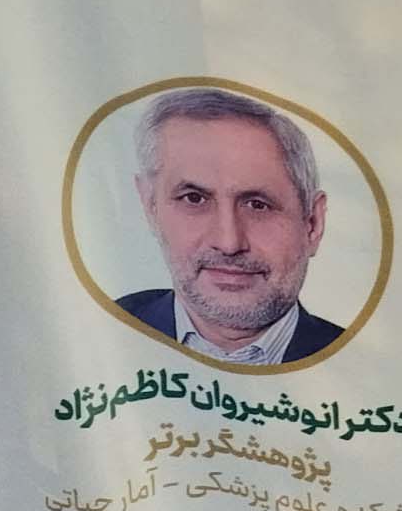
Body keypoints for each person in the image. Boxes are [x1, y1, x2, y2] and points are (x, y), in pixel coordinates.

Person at [118, 87, 341, 364]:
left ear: (313, 223)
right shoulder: (100, 333)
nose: (229, 243)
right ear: (150, 206)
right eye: (194, 199)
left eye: (258, 205)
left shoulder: (371, 369)